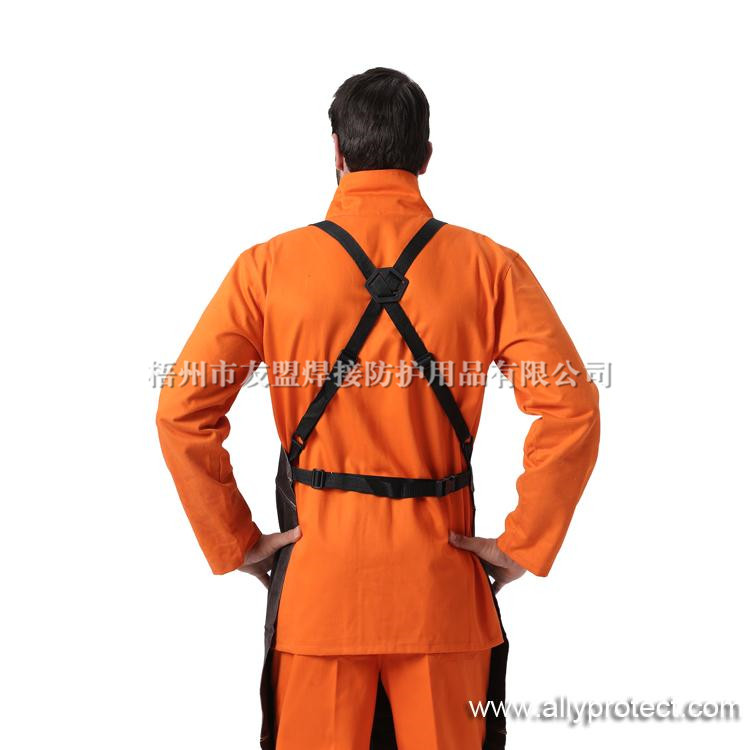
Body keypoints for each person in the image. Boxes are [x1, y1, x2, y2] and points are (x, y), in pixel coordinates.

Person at [156, 67, 600, 750]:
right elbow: (570, 404)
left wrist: (235, 540)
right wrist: (523, 545)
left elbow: (183, 409)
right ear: (426, 155)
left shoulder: (268, 268)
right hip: (443, 598)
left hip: (318, 598)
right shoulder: (489, 266)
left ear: (336, 152)